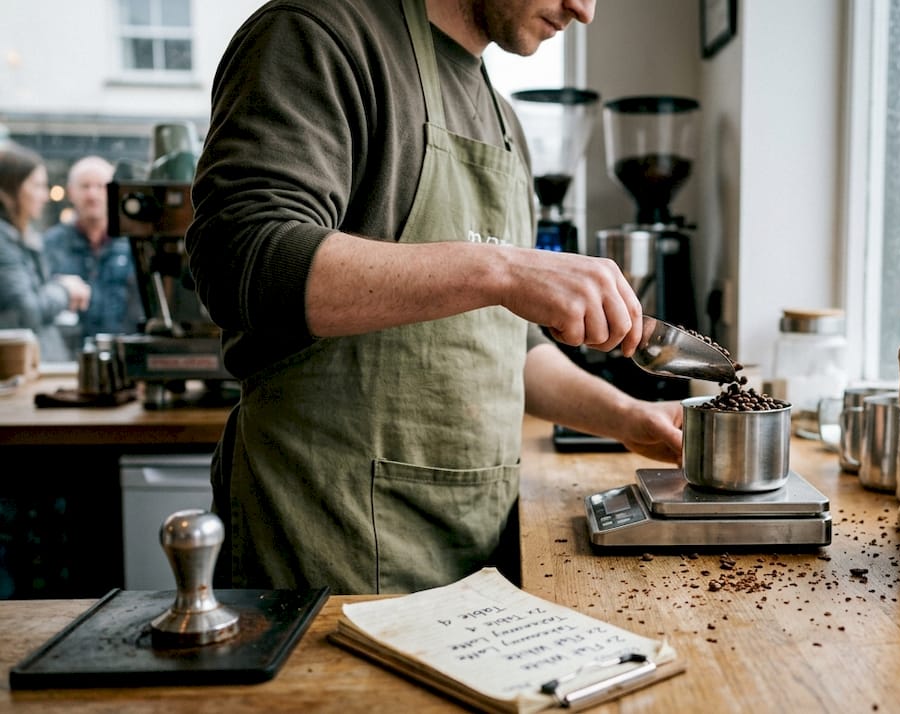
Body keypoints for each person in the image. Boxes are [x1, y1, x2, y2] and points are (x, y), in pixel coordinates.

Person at [188, 0, 683, 595]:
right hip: (328, 548)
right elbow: (243, 258)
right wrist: (503, 268)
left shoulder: (503, 120)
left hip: (474, 553)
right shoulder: (318, 36)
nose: (584, 10)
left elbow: (505, 346)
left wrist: (627, 417)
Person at [0, 144, 91, 363]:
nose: (45, 196)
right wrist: (64, 290)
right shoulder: (4, 242)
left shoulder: (20, 238)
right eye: (37, 185)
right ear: (10, 190)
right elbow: (25, 312)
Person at [44, 156, 143, 341]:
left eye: (100, 186)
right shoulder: (51, 245)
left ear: (113, 192)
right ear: (71, 192)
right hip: (66, 359)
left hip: (123, 353)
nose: (92, 194)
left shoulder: (133, 245)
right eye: (85, 186)